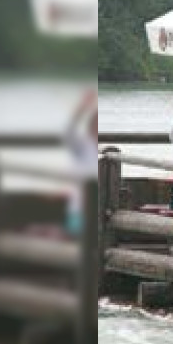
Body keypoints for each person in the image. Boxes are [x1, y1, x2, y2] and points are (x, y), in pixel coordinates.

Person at [65, 89, 98, 237]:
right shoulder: (81, 147)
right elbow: (68, 132)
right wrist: (82, 108)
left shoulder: (105, 153)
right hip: (79, 211)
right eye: (95, 125)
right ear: (90, 127)